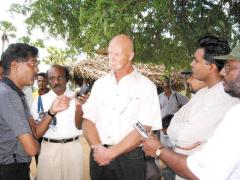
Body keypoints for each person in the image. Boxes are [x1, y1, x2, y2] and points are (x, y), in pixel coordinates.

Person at [142, 44, 240, 180]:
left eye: (229, 67)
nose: (223, 72)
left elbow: (184, 136)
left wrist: (159, 150)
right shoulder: (202, 94)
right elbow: (173, 126)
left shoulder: (234, 110)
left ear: (210, 66)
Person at [82, 34, 162, 180]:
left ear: (131, 55)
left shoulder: (146, 87)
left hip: (130, 158)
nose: (111, 58)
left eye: (117, 54)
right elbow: (88, 120)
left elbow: (144, 128)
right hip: (98, 154)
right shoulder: (100, 84)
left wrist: (111, 153)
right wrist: (98, 148)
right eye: (110, 53)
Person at [0, 43, 70, 180]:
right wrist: (35, 141)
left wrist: (51, 111)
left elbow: (36, 132)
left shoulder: (16, 94)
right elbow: (32, 149)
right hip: (10, 170)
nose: (37, 70)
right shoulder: (8, 95)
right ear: (14, 65)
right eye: (33, 64)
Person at [31, 64, 85, 180]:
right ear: (48, 80)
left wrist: (79, 107)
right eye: (52, 78)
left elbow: (79, 126)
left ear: (67, 79)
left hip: (73, 148)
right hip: (48, 149)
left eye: (60, 77)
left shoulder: (78, 98)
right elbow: (37, 133)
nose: (56, 81)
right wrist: (50, 113)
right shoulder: (39, 101)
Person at [32, 72, 50, 164]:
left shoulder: (52, 95)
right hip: (38, 131)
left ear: (47, 82)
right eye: (39, 81)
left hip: (50, 131)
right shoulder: (33, 96)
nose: (41, 83)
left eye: (43, 81)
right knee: (38, 156)